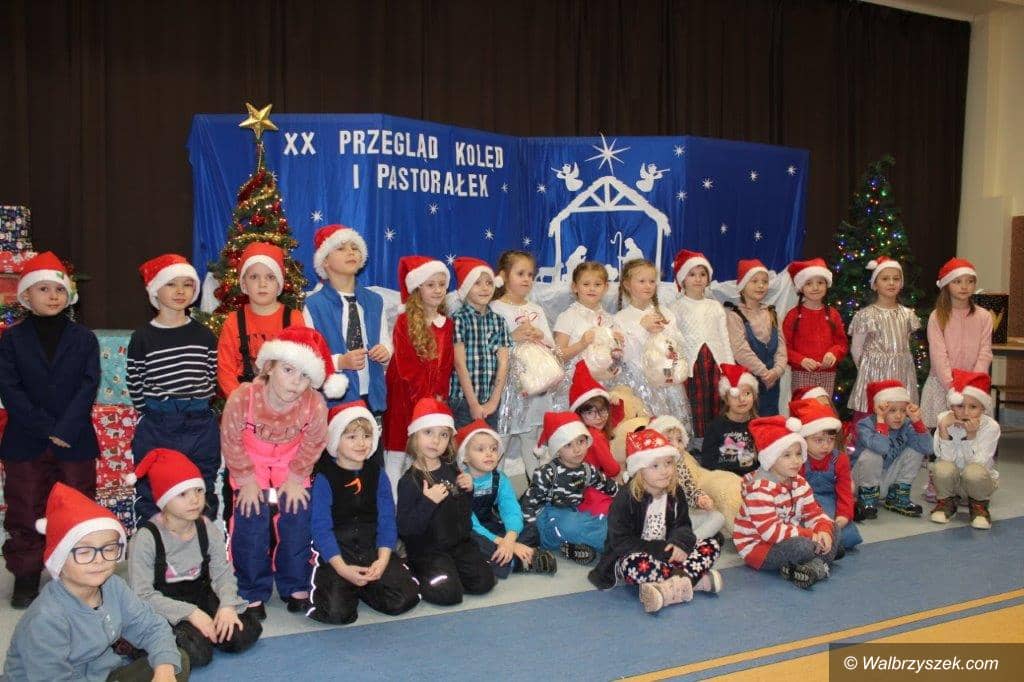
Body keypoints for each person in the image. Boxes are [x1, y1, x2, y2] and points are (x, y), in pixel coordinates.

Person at [4, 483, 188, 681]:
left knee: (176, 662)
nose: (99, 559)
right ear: (59, 559)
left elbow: (152, 627)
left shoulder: (113, 585)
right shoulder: (46, 618)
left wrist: (164, 670)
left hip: (101, 672)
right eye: (84, 552)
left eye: (108, 549)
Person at [0, 252, 99, 608]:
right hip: (26, 439)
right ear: (26, 295)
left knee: (76, 504)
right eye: (43, 289)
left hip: (74, 439)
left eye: (58, 289)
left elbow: (88, 384)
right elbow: (9, 388)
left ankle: (75, 572)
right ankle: (26, 574)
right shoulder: (11, 340)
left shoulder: (83, 338)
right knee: (25, 506)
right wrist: (45, 427)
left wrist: (66, 427)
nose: (53, 295)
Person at [220, 327, 336, 617]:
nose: (296, 382)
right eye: (288, 370)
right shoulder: (244, 398)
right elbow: (231, 439)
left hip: (291, 462)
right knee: (250, 517)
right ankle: (251, 589)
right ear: (269, 367)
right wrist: (246, 480)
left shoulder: (314, 404)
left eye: (305, 376)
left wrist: (296, 478)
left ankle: (294, 582)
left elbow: (314, 442)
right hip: (250, 463)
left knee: (297, 515)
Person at [127, 449, 261, 668]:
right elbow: (142, 595)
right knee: (197, 653)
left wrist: (227, 605)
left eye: (198, 490)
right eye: (182, 494)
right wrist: (190, 614)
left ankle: (206, 630)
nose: (194, 500)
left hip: (200, 595)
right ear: (164, 499)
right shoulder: (146, 537)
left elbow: (222, 573)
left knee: (243, 632)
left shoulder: (207, 528)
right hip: (164, 605)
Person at [307, 400, 419, 624]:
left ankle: (365, 587)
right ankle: (347, 585)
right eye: (351, 437)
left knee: (405, 598)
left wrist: (382, 560)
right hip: (338, 551)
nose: (361, 443)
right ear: (335, 441)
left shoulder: (378, 474)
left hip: (371, 548)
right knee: (336, 614)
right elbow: (320, 529)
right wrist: (342, 569)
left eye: (366, 436)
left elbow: (387, 520)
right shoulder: (324, 477)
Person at [589, 429, 723, 614]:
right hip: (636, 555)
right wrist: (660, 550)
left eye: (668, 463)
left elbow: (683, 525)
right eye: (655, 466)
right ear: (639, 470)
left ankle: (667, 590)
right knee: (634, 565)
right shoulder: (625, 499)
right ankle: (693, 580)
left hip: (669, 554)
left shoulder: (675, 492)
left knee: (712, 543)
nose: (664, 470)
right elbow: (620, 542)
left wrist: (680, 543)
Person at [128, 254, 219, 522]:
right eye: (171, 284)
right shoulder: (143, 337)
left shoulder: (204, 335)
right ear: (156, 290)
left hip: (199, 421)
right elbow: (135, 378)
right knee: (153, 480)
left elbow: (210, 373)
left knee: (202, 479)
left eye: (187, 285)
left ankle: (201, 533)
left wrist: (198, 403)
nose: (180, 291)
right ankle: (153, 534)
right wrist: (152, 410)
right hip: (159, 422)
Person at [396, 399, 496, 605]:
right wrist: (428, 502)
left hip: (457, 545)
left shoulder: (451, 469)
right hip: (427, 551)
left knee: (485, 582)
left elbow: (463, 516)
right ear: (414, 436)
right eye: (428, 432)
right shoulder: (409, 481)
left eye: (443, 435)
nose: (435, 441)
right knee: (449, 595)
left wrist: (468, 491)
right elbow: (405, 529)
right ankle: (416, 570)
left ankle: (451, 571)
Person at [733, 416, 838, 589]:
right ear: (771, 458)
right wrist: (811, 535)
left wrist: (823, 530)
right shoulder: (759, 490)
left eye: (798, 454)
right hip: (760, 548)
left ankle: (810, 567)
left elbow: (814, 513)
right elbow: (771, 533)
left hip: (789, 536)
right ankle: (823, 561)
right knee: (802, 546)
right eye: (787, 455)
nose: (796, 461)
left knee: (833, 527)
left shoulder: (800, 482)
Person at [382, 256, 453, 497]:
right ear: (417, 288)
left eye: (442, 285)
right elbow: (406, 367)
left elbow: (446, 365)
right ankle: (392, 507)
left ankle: (420, 502)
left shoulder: (447, 324)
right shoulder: (404, 321)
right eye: (430, 285)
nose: (437, 290)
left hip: (431, 400)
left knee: (425, 453)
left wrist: (439, 397)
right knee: (397, 452)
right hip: (404, 397)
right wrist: (422, 401)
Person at [302, 224, 391, 410]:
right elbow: (310, 357)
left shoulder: (375, 301)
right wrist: (340, 362)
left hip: (372, 395)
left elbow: (385, 341)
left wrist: (385, 353)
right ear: (325, 262)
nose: (350, 252)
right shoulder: (313, 305)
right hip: (335, 398)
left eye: (355, 248)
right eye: (341, 248)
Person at [455, 420, 558, 578]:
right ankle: (519, 561)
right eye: (480, 449)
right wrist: (507, 543)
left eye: (493, 449)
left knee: (531, 529)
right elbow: (470, 523)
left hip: (491, 525)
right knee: (470, 542)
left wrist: (510, 538)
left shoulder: (500, 479)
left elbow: (511, 510)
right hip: (471, 529)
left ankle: (505, 558)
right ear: (465, 457)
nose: (489, 453)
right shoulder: (462, 483)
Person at [491, 250, 559, 480]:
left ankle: (537, 493)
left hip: (534, 386)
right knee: (499, 441)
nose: (526, 279)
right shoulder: (495, 309)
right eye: (520, 273)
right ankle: (491, 493)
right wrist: (513, 337)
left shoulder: (536, 309)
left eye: (530, 275)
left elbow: (552, 346)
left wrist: (540, 335)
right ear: (504, 276)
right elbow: (488, 347)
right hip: (507, 389)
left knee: (532, 441)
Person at [519, 412, 618, 565]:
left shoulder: (587, 470)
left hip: (570, 512)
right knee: (572, 526)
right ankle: (610, 544)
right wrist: (531, 532)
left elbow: (607, 485)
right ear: (557, 449)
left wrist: (626, 494)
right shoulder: (547, 472)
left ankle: (573, 547)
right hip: (546, 517)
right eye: (568, 445)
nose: (577, 450)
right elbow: (529, 503)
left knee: (598, 520)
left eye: (581, 442)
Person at [216, 242, 305, 398]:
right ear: (244, 284)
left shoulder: (294, 318)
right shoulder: (233, 321)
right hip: (244, 400)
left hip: (286, 399)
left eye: (270, 277)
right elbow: (225, 369)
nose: (262, 284)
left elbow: (303, 363)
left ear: (279, 284)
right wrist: (242, 401)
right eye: (254, 277)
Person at [613, 258, 692, 428]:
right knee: (648, 428)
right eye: (641, 281)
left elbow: (677, 347)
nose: (648, 286)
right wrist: (642, 328)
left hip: (669, 382)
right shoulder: (620, 319)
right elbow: (624, 356)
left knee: (672, 429)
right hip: (641, 385)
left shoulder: (666, 313)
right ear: (627, 285)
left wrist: (664, 334)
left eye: (652, 281)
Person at [920, 258, 992, 428]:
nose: (964, 286)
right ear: (947, 285)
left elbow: (985, 353)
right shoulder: (937, 316)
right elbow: (938, 355)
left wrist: (973, 384)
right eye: (957, 282)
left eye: (970, 281)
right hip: (943, 385)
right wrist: (952, 387)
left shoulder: (984, 316)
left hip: (973, 386)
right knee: (942, 432)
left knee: (972, 432)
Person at [670, 249, 734, 442]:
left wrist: (730, 367)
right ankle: (697, 442)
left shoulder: (715, 306)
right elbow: (673, 340)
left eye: (702, 274)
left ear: (708, 278)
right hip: (692, 365)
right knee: (695, 402)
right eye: (692, 274)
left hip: (715, 363)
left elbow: (724, 338)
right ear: (683, 279)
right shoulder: (676, 307)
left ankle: (716, 440)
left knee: (717, 400)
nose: (698, 279)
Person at [847, 256, 921, 421]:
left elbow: (905, 343)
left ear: (901, 283)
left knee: (898, 415)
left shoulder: (907, 315)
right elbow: (856, 349)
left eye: (896, 279)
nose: (891, 283)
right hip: (874, 374)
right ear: (875, 285)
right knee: (873, 417)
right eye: (885, 279)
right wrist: (867, 369)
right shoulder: (866, 315)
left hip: (901, 372)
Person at [851, 380, 932, 519]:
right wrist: (881, 421)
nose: (899, 416)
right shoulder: (865, 425)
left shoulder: (906, 425)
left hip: (886, 480)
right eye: (892, 410)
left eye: (903, 410)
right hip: (860, 483)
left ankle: (897, 496)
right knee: (872, 453)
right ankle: (867, 499)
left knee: (916, 450)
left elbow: (928, 449)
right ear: (880, 409)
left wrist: (917, 422)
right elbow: (881, 448)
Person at [930, 370, 1001, 529]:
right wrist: (943, 430)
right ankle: (947, 501)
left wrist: (971, 436)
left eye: (973, 407)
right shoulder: (944, 420)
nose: (966, 412)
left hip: (979, 481)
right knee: (940, 467)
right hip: (954, 483)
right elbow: (944, 460)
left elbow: (979, 463)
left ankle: (979, 506)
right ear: (952, 406)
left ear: (983, 408)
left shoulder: (990, 427)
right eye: (960, 406)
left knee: (974, 472)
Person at [449, 256, 512, 429]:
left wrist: (493, 401)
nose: (485, 288)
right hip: (463, 401)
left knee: (488, 443)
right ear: (466, 287)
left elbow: (504, 362)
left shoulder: (499, 321)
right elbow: (459, 363)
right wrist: (473, 404)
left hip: (490, 402)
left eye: (489, 283)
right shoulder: (458, 320)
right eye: (477, 283)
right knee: (464, 444)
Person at [790, 399, 862, 550]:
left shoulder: (840, 459)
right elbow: (794, 492)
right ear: (803, 439)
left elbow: (845, 491)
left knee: (850, 537)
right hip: (805, 503)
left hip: (831, 501)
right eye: (819, 440)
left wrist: (844, 515)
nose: (826, 445)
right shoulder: (798, 460)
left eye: (831, 440)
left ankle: (826, 544)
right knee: (808, 531)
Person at [725, 259, 787, 416]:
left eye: (764, 281)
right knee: (750, 419)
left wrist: (777, 371)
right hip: (749, 382)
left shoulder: (772, 314)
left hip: (773, 381)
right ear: (742, 286)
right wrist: (764, 372)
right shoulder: (735, 316)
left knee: (770, 419)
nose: (761, 285)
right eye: (754, 281)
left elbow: (781, 347)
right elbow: (740, 350)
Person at [649, 415, 726, 540]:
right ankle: (686, 542)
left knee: (718, 517)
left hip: (683, 519)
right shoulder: (649, 468)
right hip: (659, 523)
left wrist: (700, 498)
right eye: (669, 440)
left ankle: (688, 542)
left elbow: (690, 489)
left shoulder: (680, 464)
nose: (676, 445)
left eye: (679, 440)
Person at [783, 258, 847, 399]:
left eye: (820, 283)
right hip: (801, 374)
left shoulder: (833, 314)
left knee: (824, 409)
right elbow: (784, 347)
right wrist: (800, 360)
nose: (815, 287)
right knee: (802, 408)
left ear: (826, 285)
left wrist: (833, 353)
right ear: (801, 287)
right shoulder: (793, 315)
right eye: (809, 283)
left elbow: (842, 343)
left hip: (827, 374)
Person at [569, 360, 622, 517]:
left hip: (581, 487)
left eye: (603, 411)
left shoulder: (585, 431)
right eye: (591, 413)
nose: (599, 417)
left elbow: (614, 420)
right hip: (592, 491)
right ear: (579, 414)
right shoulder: (595, 436)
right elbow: (612, 469)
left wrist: (616, 405)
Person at [553, 261, 622, 380]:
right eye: (586, 284)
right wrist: (581, 344)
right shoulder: (567, 317)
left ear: (605, 287)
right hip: (575, 383)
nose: (592, 288)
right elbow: (557, 356)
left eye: (597, 284)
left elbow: (615, 358)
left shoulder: (609, 319)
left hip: (604, 383)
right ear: (575, 287)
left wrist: (617, 346)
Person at [701, 364, 759, 476]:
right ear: (726, 399)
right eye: (735, 395)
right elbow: (708, 462)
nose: (742, 399)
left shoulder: (759, 425)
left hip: (754, 479)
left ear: (754, 395)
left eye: (747, 393)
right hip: (725, 479)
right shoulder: (715, 427)